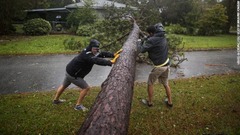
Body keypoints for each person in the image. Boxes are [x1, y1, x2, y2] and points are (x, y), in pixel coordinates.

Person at [53, 39, 122, 111]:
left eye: (97, 49)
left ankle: (55, 100)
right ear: (91, 47)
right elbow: (96, 60)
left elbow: (101, 54)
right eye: (95, 49)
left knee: (64, 85)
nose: (96, 51)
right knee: (86, 88)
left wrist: (113, 54)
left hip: (69, 71)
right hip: (73, 74)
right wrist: (110, 62)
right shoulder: (87, 55)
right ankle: (78, 106)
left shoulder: (92, 51)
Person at [138, 23, 173, 108]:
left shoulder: (152, 40)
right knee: (165, 83)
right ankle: (170, 102)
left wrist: (139, 42)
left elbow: (141, 50)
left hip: (159, 67)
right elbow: (154, 39)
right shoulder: (162, 37)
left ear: (151, 33)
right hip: (167, 64)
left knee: (150, 83)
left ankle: (149, 103)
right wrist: (148, 38)